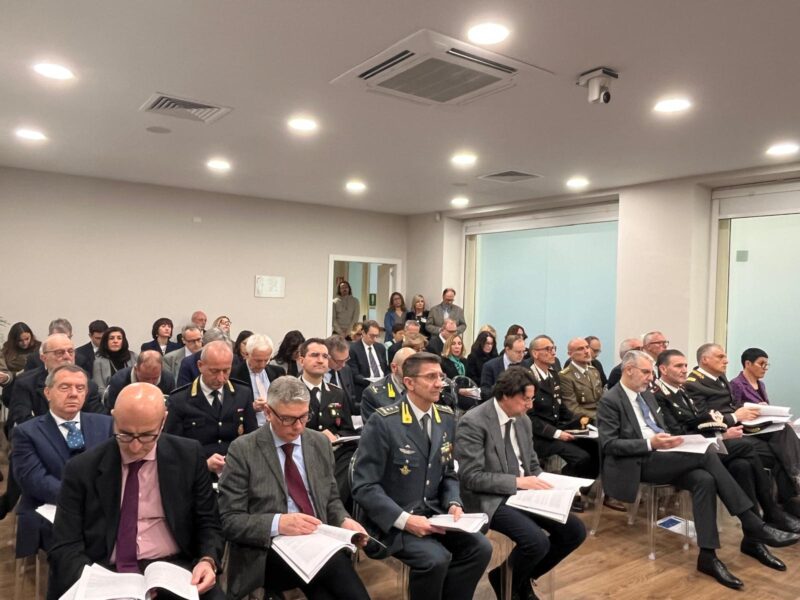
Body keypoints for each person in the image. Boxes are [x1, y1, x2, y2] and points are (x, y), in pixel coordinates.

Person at [597, 350, 798, 589]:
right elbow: (609, 445)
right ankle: (752, 523)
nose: (650, 377)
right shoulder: (611, 400)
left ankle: (708, 556)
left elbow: (668, 428)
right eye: (646, 372)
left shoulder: (647, 395)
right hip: (638, 461)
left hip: (666, 454)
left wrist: (675, 441)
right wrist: (651, 443)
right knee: (706, 455)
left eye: (651, 372)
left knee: (707, 479)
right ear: (629, 370)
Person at [47, 382, 224, 600]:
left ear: (163, 421)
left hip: (175, 569)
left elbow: (208, 522)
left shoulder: (188, 456)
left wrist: (207, 560)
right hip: (105, 571)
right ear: (114, 418)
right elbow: (65, 546)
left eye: (147, 436)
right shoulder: (82, 468)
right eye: (125, 434)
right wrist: (94, 582)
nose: (135, 446)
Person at [352, 352, 492, 600]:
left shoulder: (445, 417)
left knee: (480, 548)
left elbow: (449, 473)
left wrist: (453, 502)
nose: (439, 383)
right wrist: (406, 520)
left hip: (434, 515)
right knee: (435, 559)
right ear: (409, 382)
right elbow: (364, 486)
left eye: (441, 376)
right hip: (393, 521)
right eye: (430, 377)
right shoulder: (384, 422)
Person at [218, 376, 371, 600]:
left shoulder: (318, 443)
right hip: (267, 550)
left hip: (316, 541)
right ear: (268, 413)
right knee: (335, 567)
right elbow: (230, 520)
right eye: (288, 419)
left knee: (327, 585)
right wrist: (278, 523)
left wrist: (343, 520)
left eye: (304, 416)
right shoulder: (244, 449)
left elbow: (330, 499)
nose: (298, 426)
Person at [457, 367, 586, 600]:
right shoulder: (474, 422)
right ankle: (510, 582)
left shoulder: (523, 420)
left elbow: (532, 465)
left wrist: (555, 486)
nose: (530, 405)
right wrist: (517, 482)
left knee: (575, 531)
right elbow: (471, 477)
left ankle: (515, 578)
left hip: (525, 492)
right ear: (506, 395)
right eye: (525, 399)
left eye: (532, 399)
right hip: (490, 497)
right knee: (535, 541)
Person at [654, 349, 800, 544]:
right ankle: (767, 513)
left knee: (743, 464)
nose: (685, 370)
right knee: (747, 447)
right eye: (679, 366)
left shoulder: (681, 390)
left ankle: (754, 532)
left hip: (709, 440)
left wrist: (723, 431)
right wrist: (723, 433)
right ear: (663, 369)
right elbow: (680, 431)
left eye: (685, 365)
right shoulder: (662, 394)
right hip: (691, 448)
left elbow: (700, 421)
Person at [685, 343, 800, 515]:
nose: (726, 360)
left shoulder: (720, 378)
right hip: (724, 435)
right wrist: (733, 419)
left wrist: (753, 410)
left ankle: (786, 502)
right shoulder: (694, 384)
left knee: (783, 434)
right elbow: (702, 419)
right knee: (779, 453)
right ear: (705, 359)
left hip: (740, 427)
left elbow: (731, 406)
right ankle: (780, 504)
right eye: (720, 357)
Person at [12, 365, 113, 558]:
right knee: (71, 547)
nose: (74, 394)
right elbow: (34, 480)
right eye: (65, 387)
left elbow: (113, 469)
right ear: (47, 393)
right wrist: (80, 500)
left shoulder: (105, 424)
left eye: (80, 388)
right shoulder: (26, 432)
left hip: (98, 506)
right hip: (49, 506)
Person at [526, 335, 600, 512]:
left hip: (558, 429)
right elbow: (530, 418)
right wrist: (557, 433)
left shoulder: (553, 375)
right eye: (548, 349)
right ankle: (563, 492)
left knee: (597, 449)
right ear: (535, 353)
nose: (553, 352)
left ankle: (577, 490)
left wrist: (580, 424)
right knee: (581, 458)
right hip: (539, 436)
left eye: (554, 348)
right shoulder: (528, 377)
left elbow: (561, 408)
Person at [165, 341, 258, 475]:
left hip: (236, 472)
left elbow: (252, 439)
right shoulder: (179, 400)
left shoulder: (243, 393)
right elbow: (172, 449)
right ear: (200, 366)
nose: (221, 378)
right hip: (197, 475)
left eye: (226, 371)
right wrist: (203, 465)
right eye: (214, 371)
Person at [298, 338, 359, 508]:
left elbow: (347, 429)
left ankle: (335, 510)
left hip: (332, 456)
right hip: (300, 453)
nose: (320, 360)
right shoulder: (290, 391)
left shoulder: (337, 393)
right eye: (314, 355)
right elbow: (282, 427)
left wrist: (337, 437)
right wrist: (318, 437)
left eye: (325, 356)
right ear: (301, 360)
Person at [232, 333, 283, 427]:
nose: (262, 365)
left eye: (266, 360)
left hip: (275, 426)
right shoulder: (234, 375)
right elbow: (228, 408)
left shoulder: (278, 372)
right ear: (246, 354)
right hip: (248, 428)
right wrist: (251, 407)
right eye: (258, 360)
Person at [105, 350, 176, 410]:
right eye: (146, 378)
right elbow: (112, 410)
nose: (150, 383)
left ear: (161, 369)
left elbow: (171, 408)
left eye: (155, 378)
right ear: (136, 369)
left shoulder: (168, 378)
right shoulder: (119, 380)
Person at [361, 347, 415, 423]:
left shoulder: (422, 387)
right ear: (394, 367)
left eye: (417, 368)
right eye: (408, 368)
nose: (413, 373)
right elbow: (373, 428)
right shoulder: (373, 395)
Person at [559, 337, 604, 424]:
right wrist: (598, 417)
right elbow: (572, 407)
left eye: (587, 347)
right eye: (580, 349)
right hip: (583, 420)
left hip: (600, 416)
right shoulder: (565, 376)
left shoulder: (594, 371)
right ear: (570, 354)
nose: (586, 351)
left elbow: (601, 400)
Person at [348, 320, 388, 400]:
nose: (374, 339)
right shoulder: (353, 349)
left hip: (383, 386)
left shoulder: (380, 348)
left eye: (376, 336)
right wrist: (371, 382)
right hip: (365, 387)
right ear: (363, 333)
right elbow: (354, 375)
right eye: (372, 336)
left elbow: (386, 369)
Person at [92, 326, 137, 396]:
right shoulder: (99, 362)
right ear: (106, 341)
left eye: (119, 338)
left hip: (134, 396)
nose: (115, 341)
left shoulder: (133, 357)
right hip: (110, 399)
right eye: (111, 338)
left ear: (123, 341)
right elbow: (99, 389)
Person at [480, 334, 525, 402]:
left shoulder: (525, 365)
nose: (522, 355)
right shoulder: (490, 366)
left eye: (523, 351)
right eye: (518, 352)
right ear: (507, 350)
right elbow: (485, 392)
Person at [0, 321, 40, 391]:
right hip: (12, 389)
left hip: (35, 389)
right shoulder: (5, 351)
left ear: (31, 336)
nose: (25, 343)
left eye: (27, 339)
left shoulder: (39, 349)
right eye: (20, 340)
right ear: (13, 340)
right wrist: (7, 377)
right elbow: (3, 372)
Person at [324, 335, 357, 416]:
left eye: (346, 359)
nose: (343, 365)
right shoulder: (314, 374)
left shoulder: (346, 370)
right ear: (327, 356)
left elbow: (351, 402)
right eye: (339, 361)